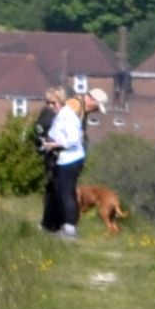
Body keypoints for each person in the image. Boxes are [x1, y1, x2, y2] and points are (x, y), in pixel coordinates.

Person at [34, 82, 98, 236]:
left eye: (53, 103)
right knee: (57, 192)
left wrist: (54, 144)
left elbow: (73, 139)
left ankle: (69, 227)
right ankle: (52, 225)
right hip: (63, 159)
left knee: (66, 192)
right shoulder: (60, 115)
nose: (50, 106)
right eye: (48, 103)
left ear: (61, 101)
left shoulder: (67, 116)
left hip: (71, 160)